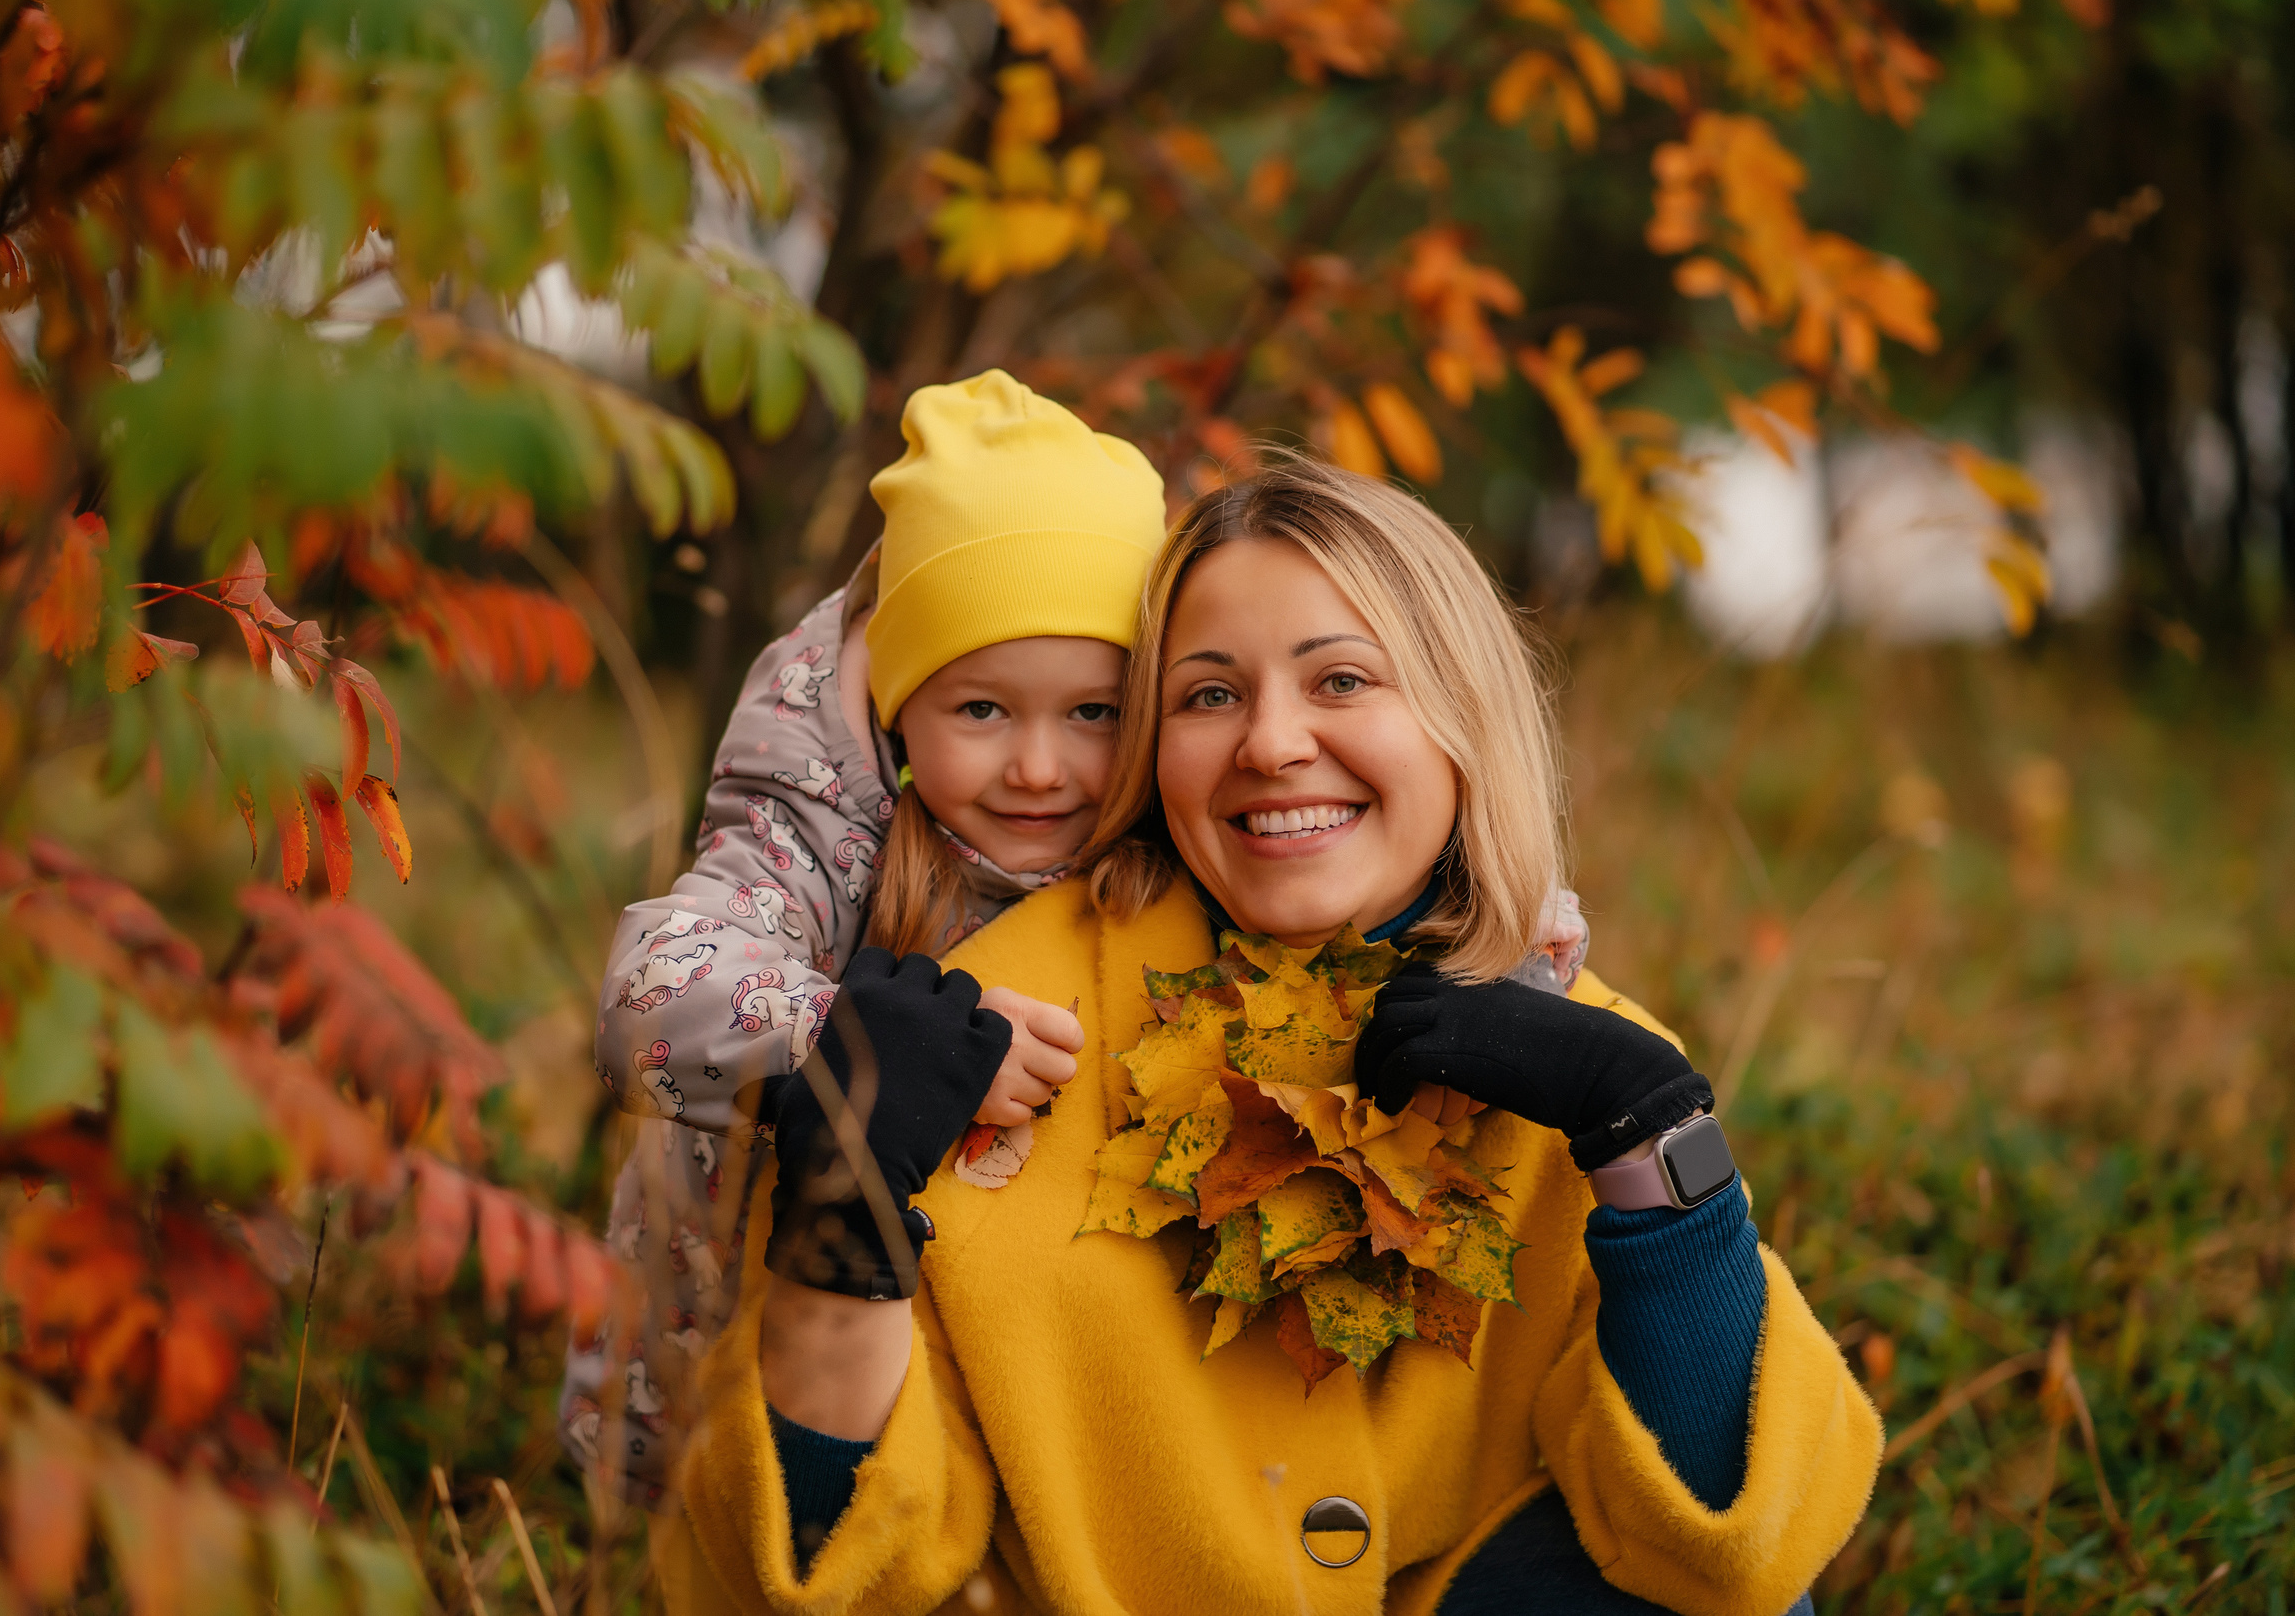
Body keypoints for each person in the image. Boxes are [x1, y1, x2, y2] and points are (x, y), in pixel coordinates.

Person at [658, 461, 1882, 1614]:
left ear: (1459, 719)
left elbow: (1736, 1558)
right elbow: (800, 1583)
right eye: (1208, 695)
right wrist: (841, 1225)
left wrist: (1656, 1149)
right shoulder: (978, 1032)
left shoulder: (1581, 1055)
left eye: (1340, 680)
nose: (1271, 742)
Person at [563, 370, 1172, 1494]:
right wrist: (846, 1039)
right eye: (980, 709)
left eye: (1094, 711)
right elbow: (646, 1002)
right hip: (739, 1373)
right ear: (897, 706)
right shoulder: (824, 836)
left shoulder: (1165, 827)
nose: (1040, 768)